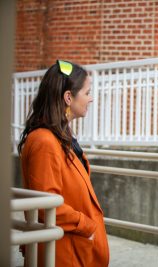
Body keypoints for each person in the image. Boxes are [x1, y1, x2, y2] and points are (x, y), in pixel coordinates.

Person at [18, 60, 109, 267]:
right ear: (68, 97)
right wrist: (87, 226)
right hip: (63, 252)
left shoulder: (58, 136)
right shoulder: (44, 141)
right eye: (87, 92)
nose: (91, 98)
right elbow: (46, 206)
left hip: (72, 247)